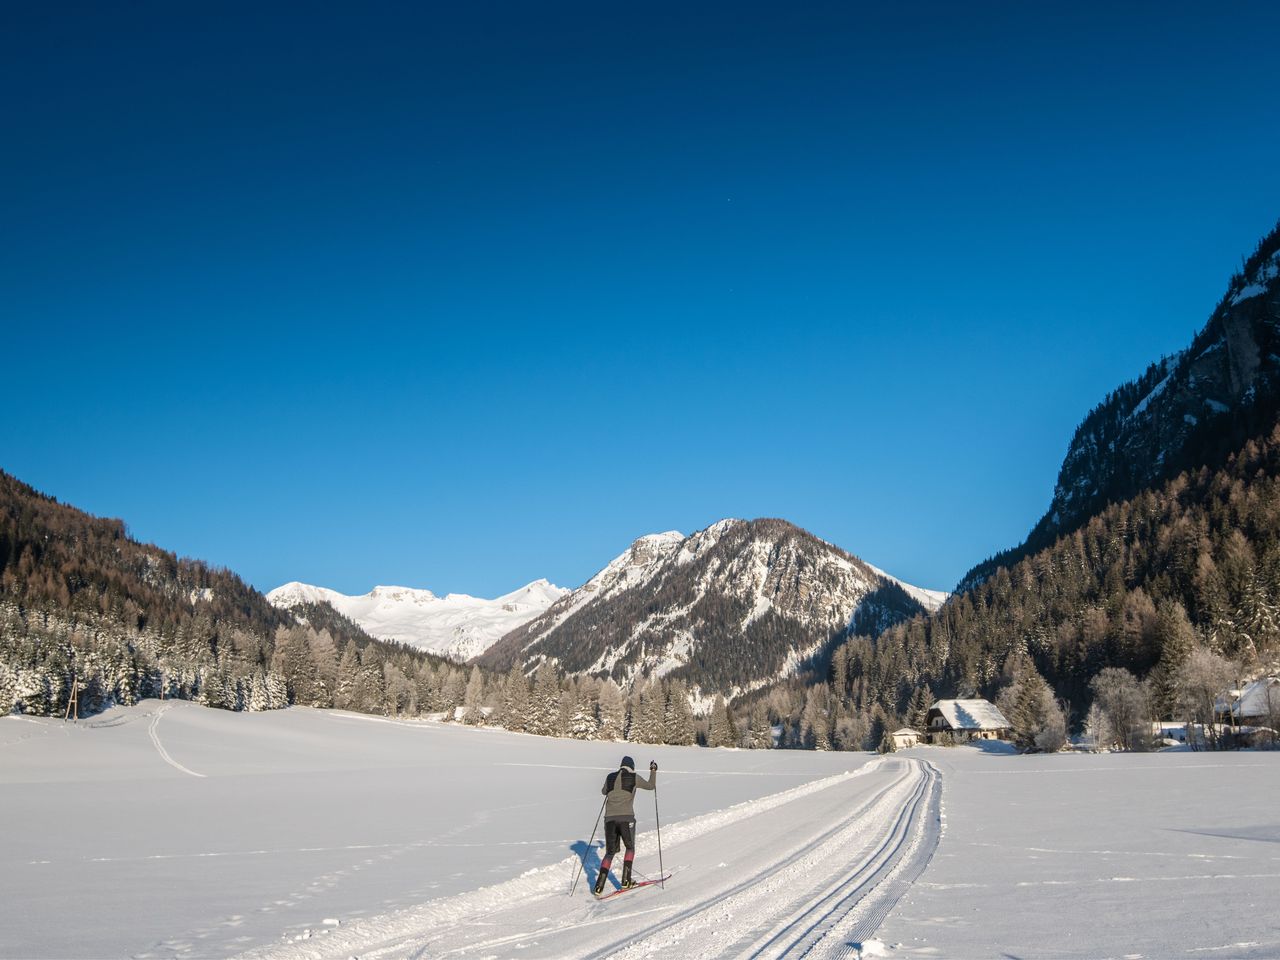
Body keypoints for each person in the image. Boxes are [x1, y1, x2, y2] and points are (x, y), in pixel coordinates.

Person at [593, 755, 657, 895]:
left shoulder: (610, 777)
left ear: (621, 765)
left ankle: (599, 887)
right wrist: (653, 770)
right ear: (632, 767)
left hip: (609, 819)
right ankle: (626, 881)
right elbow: (651, 786)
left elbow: (604, 791)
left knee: (610, 852)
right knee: (630, 847)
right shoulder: (634, 777)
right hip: (626, 818)